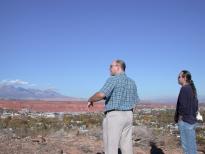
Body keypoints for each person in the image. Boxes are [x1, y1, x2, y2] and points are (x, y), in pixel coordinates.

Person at [87, 59, 139, 154]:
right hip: (129, 115)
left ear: (118, 67)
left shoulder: (113, 79)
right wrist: (130, 113)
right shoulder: (132, 82)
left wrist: (90, 99)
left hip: (115, 116)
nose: (109, 69)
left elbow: (101, 94)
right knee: (127, 145)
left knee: (111, 146)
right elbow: (135, 101)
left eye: (111, 66)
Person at [174, 70, 198, 154]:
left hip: (185, 122)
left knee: (187, 148)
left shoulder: (184, 89)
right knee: (192, 147)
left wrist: (180, 119)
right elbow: (196, 106)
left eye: (179, 77)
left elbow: (182, 106)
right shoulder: (192, 89)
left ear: (184, 78)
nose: (178, 78)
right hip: (191, 120)